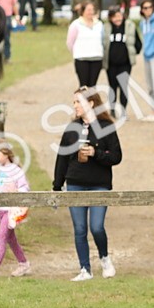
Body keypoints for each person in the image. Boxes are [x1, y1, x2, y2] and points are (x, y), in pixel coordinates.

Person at [53, 87, 122, 281]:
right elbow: (62, 159)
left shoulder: (107, 127)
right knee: (80, 228)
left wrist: (96, 154)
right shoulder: (71, 128)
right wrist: (57, 186)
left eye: (78, 102)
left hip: (99, 184)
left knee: (97, 227)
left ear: (91, 103)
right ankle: (85, 268)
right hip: (74, 183)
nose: (75, 106)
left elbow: (116, 156)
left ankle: (105, 258)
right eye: (74, 102)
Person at [0, 142, 31, 278]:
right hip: (0, 210)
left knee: (1, 236)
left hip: (11, 210)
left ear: (6, 154)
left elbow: (24, 187)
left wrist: (16, 191)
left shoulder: (16, 171)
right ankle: (23, 263)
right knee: (11, 239)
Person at [103, 7, 138, 119]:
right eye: (114, 17)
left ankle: (123, 111)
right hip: (111, 64)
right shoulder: (106, 28)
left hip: (125, 63)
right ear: (110, 18)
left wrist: (133, 52)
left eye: (119, 16)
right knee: (112, 87)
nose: (117, 19)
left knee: (123, 87)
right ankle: (112, 110)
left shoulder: (129, 26)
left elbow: (138, 43)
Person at [67, 2, 104, 87]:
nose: (90, 12)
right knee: (84, 86)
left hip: (96, 58)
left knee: (93, 85)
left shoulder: (99, 24)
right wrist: (77, 52)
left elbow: (102, 40)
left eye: (92, 10)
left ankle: (92, 100)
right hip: (82, 59)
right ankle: (83, 100)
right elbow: (70, 42)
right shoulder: (75, 24)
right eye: (88, 10)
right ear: (82, 11)